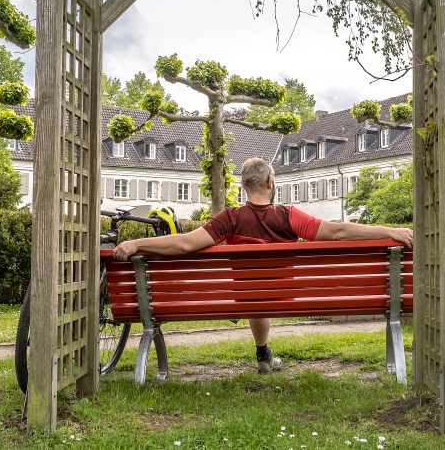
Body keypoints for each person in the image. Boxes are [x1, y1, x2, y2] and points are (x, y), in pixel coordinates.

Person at [113, 156, 414, 373]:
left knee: (253, 288)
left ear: (244, 185)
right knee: (266, 287)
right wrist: (390, 232)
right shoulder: (288, 215)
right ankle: (264, 353)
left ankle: (262, 353)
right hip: (285, 296)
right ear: (271, 183)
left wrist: (137, 243)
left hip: (243, 298)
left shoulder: (229, 218)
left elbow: (185, 243)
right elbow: (337, 231)